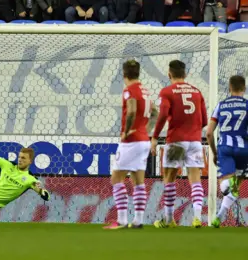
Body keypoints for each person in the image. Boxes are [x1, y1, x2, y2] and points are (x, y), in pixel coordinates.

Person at [152, 60, 207, 228]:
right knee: (195, 179)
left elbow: (162, 115)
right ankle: (197, 217)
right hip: (195, 142)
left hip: (176, 140)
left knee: (169, 178)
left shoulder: (167, 92)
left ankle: (169, 219)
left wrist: (154, 137)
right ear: (185, 74)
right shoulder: (197, 92)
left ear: (169, 74)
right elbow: (204, 120)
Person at [104, 60, 158, 229]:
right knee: (138, 179)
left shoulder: (130, 90)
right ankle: (138, 220)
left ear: (124, 73)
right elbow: (155, 112)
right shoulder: (145, 91)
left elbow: (132, 110)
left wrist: (127, 131)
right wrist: (145, 129)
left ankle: (121, 219)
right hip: (143, 140)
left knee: (116, 178)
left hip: (131, 141)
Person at [207, 75, 248, 228]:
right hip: (244, 148)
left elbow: (209, 133)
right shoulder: (247, 105)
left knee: (225, 185)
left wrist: (214, 152)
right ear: (244, 89)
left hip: (225, 147)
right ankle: (219, 216)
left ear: (229, 88)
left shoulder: (221, 105)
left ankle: (227, 183)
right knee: (236, 186)